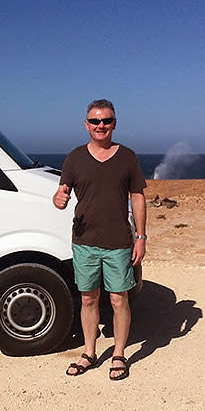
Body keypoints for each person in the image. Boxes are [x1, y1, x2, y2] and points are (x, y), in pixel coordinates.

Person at [53, 99, 147, 380]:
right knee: (88, 298)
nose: (100, 126)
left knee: (119, 299)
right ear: (86, 124)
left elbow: (138, 197)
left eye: (106, 121)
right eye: (95, 121)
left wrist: (140, 237)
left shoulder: (128, 157)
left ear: (114, 123)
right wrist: (58, 200)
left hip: (119, 241)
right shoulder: (74, 158)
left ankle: (119, 355)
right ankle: (89, 353)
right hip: (84, 241)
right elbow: (61, 194)